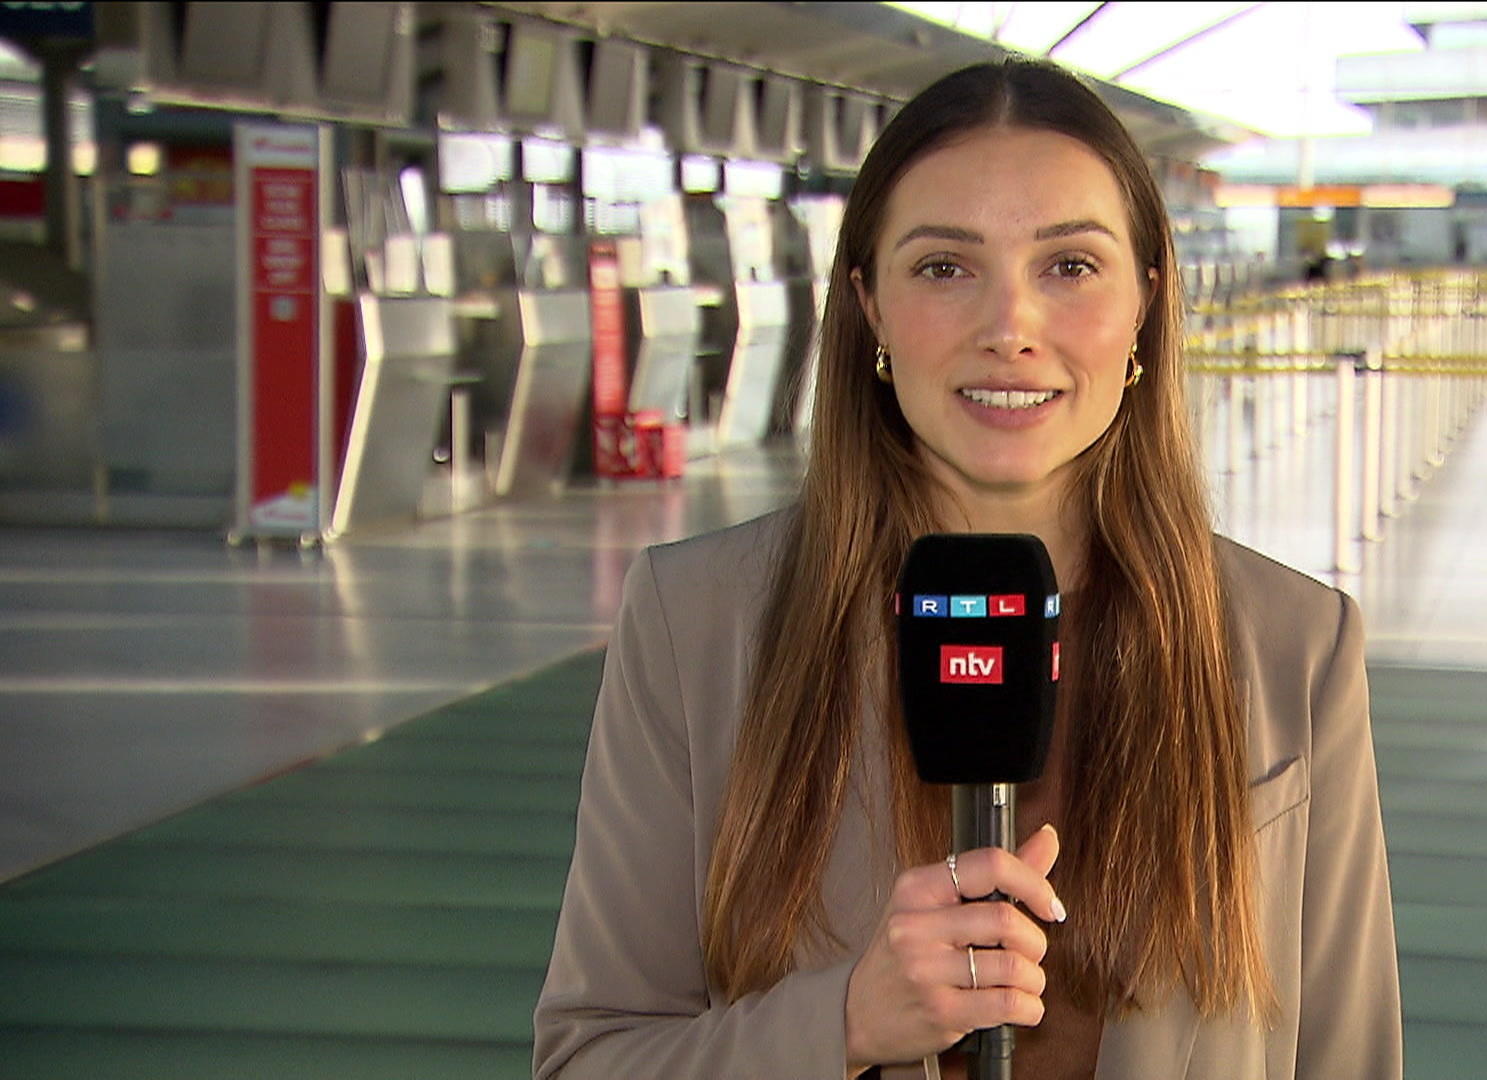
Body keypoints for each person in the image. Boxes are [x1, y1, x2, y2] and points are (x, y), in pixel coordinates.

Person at [534, 59, 1401, 1080]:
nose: (1009, 329)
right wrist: (844, 1022)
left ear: (1145, 304)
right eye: (945, 267)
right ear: (868, 306)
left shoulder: (1293, 643)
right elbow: (590, 1058)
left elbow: (1350, 1057)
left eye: (1069, 266)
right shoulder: (699, 621)